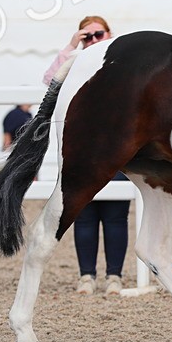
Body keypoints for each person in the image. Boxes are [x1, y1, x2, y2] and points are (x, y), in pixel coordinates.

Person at [45, 16, 131, 295]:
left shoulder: (124, 62)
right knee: (83, 215)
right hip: (83, 151)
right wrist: (71, 47)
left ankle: (115, 276)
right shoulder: (77, 64)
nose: (93, 40)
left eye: (98, 34)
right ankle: (86, 276)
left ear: (109, 33)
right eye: (87, 37)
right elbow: (49, 81)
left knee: (116, 216)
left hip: (115, 150)